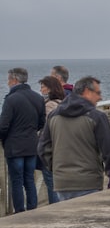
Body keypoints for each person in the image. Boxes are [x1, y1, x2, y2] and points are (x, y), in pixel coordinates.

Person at [38, 75, 110, 201]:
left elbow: (43, 148)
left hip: (62, 182)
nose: (100, 97)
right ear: (86, 92)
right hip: (88, 181)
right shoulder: (97, 117)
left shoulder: (53, 115)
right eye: (98, 93)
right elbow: (109, 151)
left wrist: (56, 168)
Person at [1, 68, 46, 212]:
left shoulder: (11, 99)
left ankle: (19, 211)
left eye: (9, 80)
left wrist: (4, 139)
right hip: (32, 145)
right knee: (29, 179)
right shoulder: (38, 97)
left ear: (14, 80)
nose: (8, 83)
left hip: (15, 147)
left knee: (17, 181)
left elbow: (3, 125)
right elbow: (41, 122)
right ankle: (33, 209)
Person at [36, 75, 65, 204]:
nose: (41, 89)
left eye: (43, 87)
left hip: (51, 148)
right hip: (62, 146)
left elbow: (48, 128)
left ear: (50, 89)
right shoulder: (64, 103)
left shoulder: (49, 106)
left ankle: (56, 208)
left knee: (51, 181)